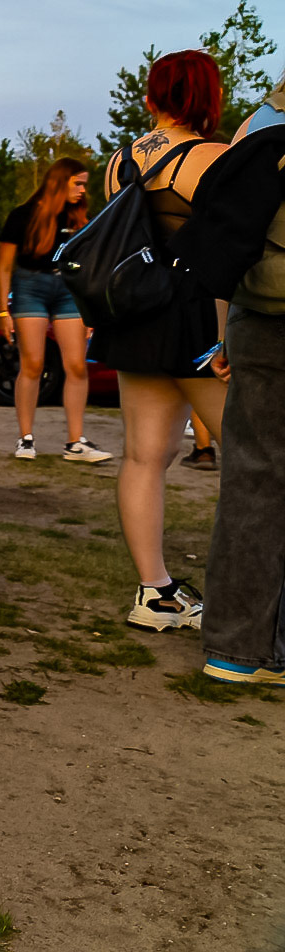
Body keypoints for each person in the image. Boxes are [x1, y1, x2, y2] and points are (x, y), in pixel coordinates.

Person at [91, 50, 228, 633]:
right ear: (207, 97)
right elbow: (225, 255)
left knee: (144, 457)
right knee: (256, 459)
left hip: (135, 314)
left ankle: (155, 593)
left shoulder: (117, 161)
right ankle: (252, 600)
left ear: (152, 96)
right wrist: (226, 336)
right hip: (197, 318)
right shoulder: (214, 158)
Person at [171, 81, 285, 686]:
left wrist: (220, 336)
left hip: (262, 320)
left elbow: (225, 242)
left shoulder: (260, 125)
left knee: (252, 482)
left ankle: (234, 651)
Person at [0, 157, 111, 462]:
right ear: (59, 181)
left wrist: (90, 309)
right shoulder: (22, 216)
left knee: (77, 365)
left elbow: (89, 267)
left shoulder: (79, 219)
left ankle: (75, 443)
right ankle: (25, 439)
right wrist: (4, 311)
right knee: (33, 364)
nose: (83, 190)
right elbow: (4, 267)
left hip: (68, 291)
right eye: (78, 183)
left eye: (85, 184)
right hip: (30, 287)